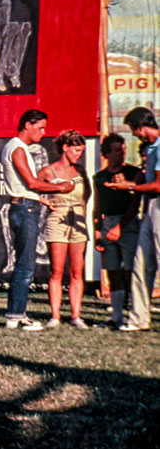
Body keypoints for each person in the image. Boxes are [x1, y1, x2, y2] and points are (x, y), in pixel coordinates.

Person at [1, 109, 74, 331]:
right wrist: (60, 187)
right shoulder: (17, 148)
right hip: (24, 210)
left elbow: (24, 188)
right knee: (25, 265)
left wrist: (43, 201)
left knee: (24, 263)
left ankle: (16, 314)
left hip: (26, 206)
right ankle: (16, 315)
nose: (44, 132)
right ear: (27, 125)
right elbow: (31, 183)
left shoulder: (16, 147)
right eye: (40, 127)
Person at [104, 107, 160, 331]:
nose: (135, 135)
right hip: (149, 208)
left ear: (141, 127)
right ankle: (138, 319)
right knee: (141, 264)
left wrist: (130, 186)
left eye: (134, 131)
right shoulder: (151, 148)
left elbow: (158, 185)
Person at [37, 130, 91, 329]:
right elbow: (31, 188)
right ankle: (55, 315)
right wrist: (45, 201)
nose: (79, 154)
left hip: (78, 221)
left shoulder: (81, 170)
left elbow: (88, 194)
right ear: (65, 147)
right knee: (56, 271)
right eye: (76, 150)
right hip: (56, 219)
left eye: (82, 151)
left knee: (77, 271)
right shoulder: (48, 171)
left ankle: (76, 315)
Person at [93, 134, 141, 329]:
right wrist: (97, 230)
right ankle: (117, 316)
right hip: (107, 223)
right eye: (116, 150)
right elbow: (97, 206)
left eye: (123, 149)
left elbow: (136, 204)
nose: (121, 153)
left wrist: (120, 226)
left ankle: (135, 314)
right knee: (112, 271)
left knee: (131, 270)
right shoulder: (100, 177)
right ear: (106, 154)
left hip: (127, 223)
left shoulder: (133, 172)